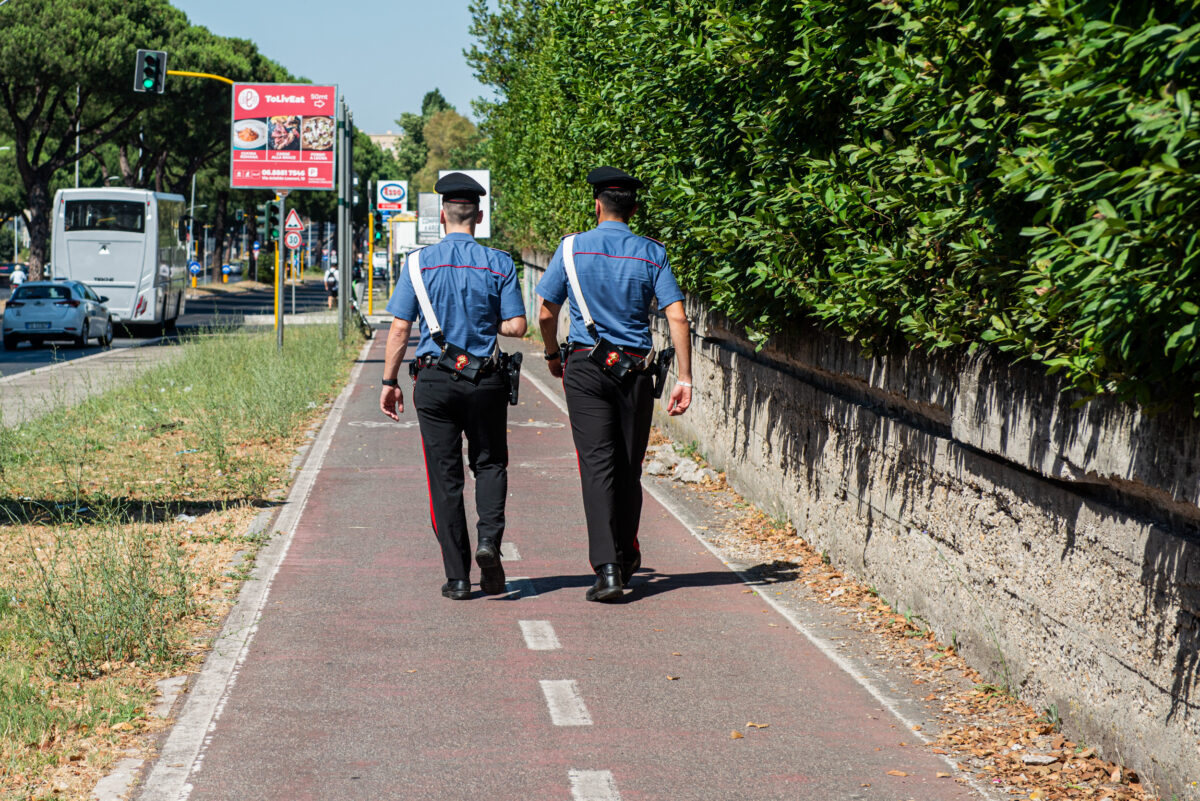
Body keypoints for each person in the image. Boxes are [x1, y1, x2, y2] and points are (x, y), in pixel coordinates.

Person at [536, 166, 693, 602]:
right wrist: (685, 377)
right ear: (635, 209)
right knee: (628, 466)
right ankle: (625, 556)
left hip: (585, 367)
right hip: (636, 372)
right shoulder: (652, 253)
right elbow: (676, 315)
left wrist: (552, 354)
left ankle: (606, 570)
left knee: (597, 466)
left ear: (597, 204)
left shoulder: (569, 250)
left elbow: (547, 312)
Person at [380, 172, 527, 600]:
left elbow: (399, 329)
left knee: (444, 478)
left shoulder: (417, 264)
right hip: (485, 381)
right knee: (490, 463)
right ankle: (488, 542)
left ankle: (458, 578)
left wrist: (389, 381)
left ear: (442, 215)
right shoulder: (499, 262)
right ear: (478, 217)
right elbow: (517, 326)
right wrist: (487, 323)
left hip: (435, 380)